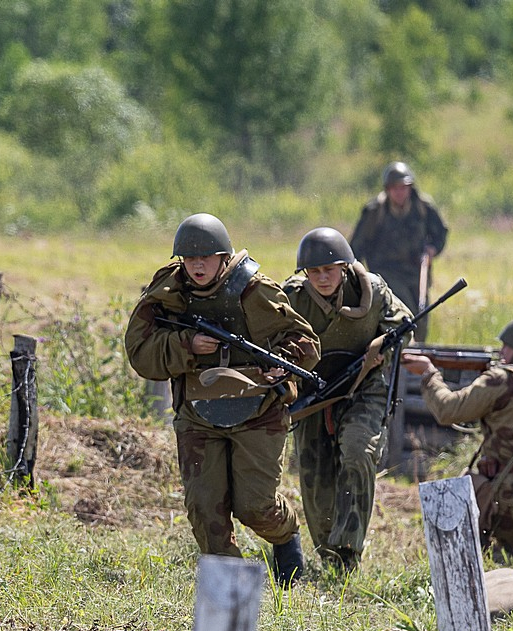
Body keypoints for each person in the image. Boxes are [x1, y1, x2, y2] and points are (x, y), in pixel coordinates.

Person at [124, 213, 320, 587]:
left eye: (207, 257)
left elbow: (306, 342)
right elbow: (140, 352)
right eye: (190, 259)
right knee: (204, 509)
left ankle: (285, 534)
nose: (198, 266)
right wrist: (187, 346)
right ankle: (236, 593)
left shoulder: (255, 291)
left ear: (223, 256)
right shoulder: (168, 293)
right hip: (197, 413)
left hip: (259, 413)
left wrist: (285, 365)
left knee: (255, 507)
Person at [401, 316, 513, 565]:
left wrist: (429, 374)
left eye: (506, 346)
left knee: (477, 565)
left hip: (505, 499)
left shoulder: (503, 380)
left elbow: (448, 410)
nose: (501, 352)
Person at [282, 227, 412, 572]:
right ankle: (330, 554)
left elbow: (404, 326)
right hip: (312, 395)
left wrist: (382, 344)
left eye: (329, 270)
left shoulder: (372, 290)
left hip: (362, 386)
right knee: (314, 474)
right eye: (314, 272)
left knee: (357, 450)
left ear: (344, 267)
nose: (322, 278)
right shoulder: (292, 298)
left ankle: (348, 553)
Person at [350, 162, 448, 342]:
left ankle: (417, 354)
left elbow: (440, 233)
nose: (400, 192)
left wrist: (433, 249)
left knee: (422, 313)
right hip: (386, 273)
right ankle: (401, 353)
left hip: (416, 271)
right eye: (395, 188)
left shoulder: (423, 207)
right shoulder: (375, 211)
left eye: (403, 187)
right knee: (405, 313)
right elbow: (357, 245)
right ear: (387, 189)